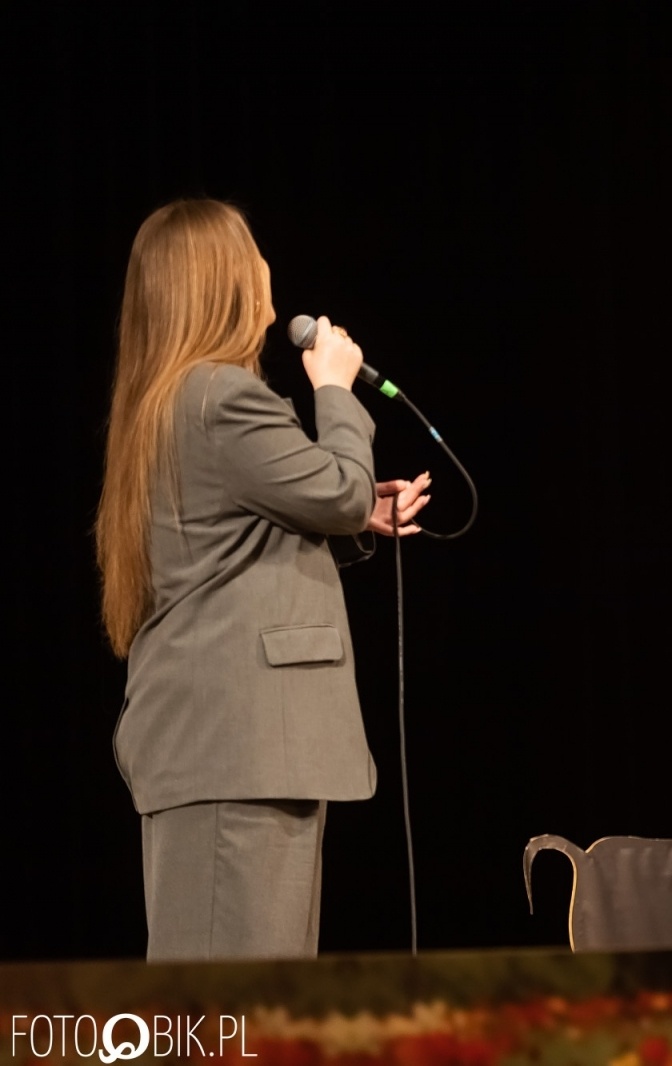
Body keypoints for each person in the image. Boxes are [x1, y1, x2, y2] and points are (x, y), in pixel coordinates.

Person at [94, 198, 431, 961]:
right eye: (252, 255)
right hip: (235, 752)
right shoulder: (222, 396)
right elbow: (342, 489)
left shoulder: (172, 400)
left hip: (230, 749)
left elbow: (241, 531)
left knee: (243, 1016)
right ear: (226, 281)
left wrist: (351, 513)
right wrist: (336, 390)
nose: (266, 270)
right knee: (226, 1020)